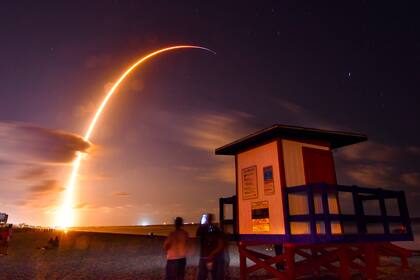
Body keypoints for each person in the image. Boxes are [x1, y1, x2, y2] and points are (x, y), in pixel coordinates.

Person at [196, 214, 226, 280]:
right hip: (214, 258)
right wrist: (213, 253)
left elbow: (197, 236)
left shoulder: (202, 229)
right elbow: (221, 245)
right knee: (215, 276)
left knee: (202, 276)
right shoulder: (217, 229)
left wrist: (201, 224)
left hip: (205, 257)